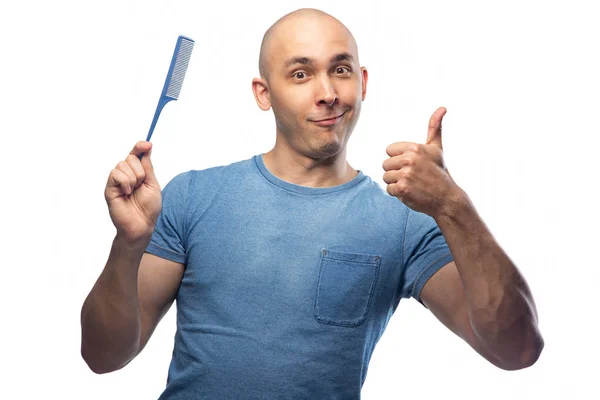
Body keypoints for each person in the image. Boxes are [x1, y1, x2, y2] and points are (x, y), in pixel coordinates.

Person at [80, 8, 544, 399]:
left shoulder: (405, 222)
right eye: (300, 74)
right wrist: (128, 244)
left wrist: (454, 207)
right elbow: (103, 357)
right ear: (264, 93)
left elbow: (517, 349)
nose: (327, 93)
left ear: (362, 82)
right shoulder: (191, 196)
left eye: (340, 69)